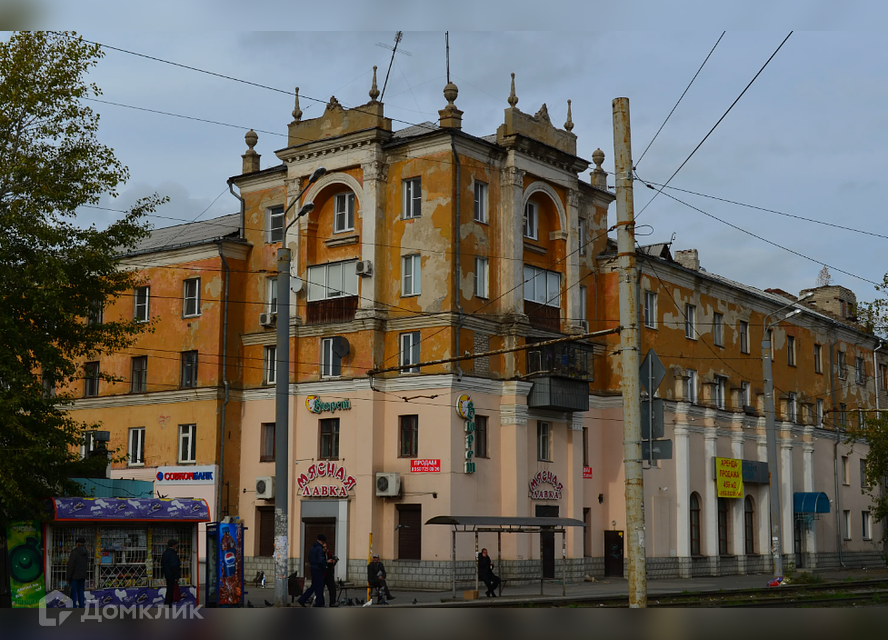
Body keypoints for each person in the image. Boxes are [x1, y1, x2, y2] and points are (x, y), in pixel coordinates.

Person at [297, 534, 327, 607]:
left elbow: (310, 557)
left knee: (314, 586)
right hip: (318, 569)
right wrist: (325, 566)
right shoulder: (320, 549)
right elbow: (321, 560)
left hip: (313, 568)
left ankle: (303, 599)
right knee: (319, 586)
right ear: (322, 541)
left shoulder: (313, 547)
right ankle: (319, 603)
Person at [66, 537, 89, 608]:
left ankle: (73, 607)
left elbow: (71, 566)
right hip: (82, 576)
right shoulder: (86, 553)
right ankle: (81, 607)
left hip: (74, 577)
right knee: (81, 592)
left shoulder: (74, 553)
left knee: (73, 593)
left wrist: (68, 577)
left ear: (77, 544)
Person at [160, 539, 181, 605]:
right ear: (173, 545)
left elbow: (163, 564)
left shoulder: (165, 553)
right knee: (171, 591)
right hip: (172, 575)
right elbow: (174, 565)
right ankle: (168, 605)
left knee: (169, 590)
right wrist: (177, 576)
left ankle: (167, 605)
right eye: (176, 545)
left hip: (167, 574)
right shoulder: (173, 553)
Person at [322, 541, 338, 607]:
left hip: (329, 574)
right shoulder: (320, 553)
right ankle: (321, 603)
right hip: (322, 574)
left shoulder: (328, 553)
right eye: (324, 547)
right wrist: (326, 562)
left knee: (332, 589)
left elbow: (331, 558)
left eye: (326, 547)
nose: (325, 548)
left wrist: (333, 561)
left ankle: (332, 602)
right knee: (320, 590)